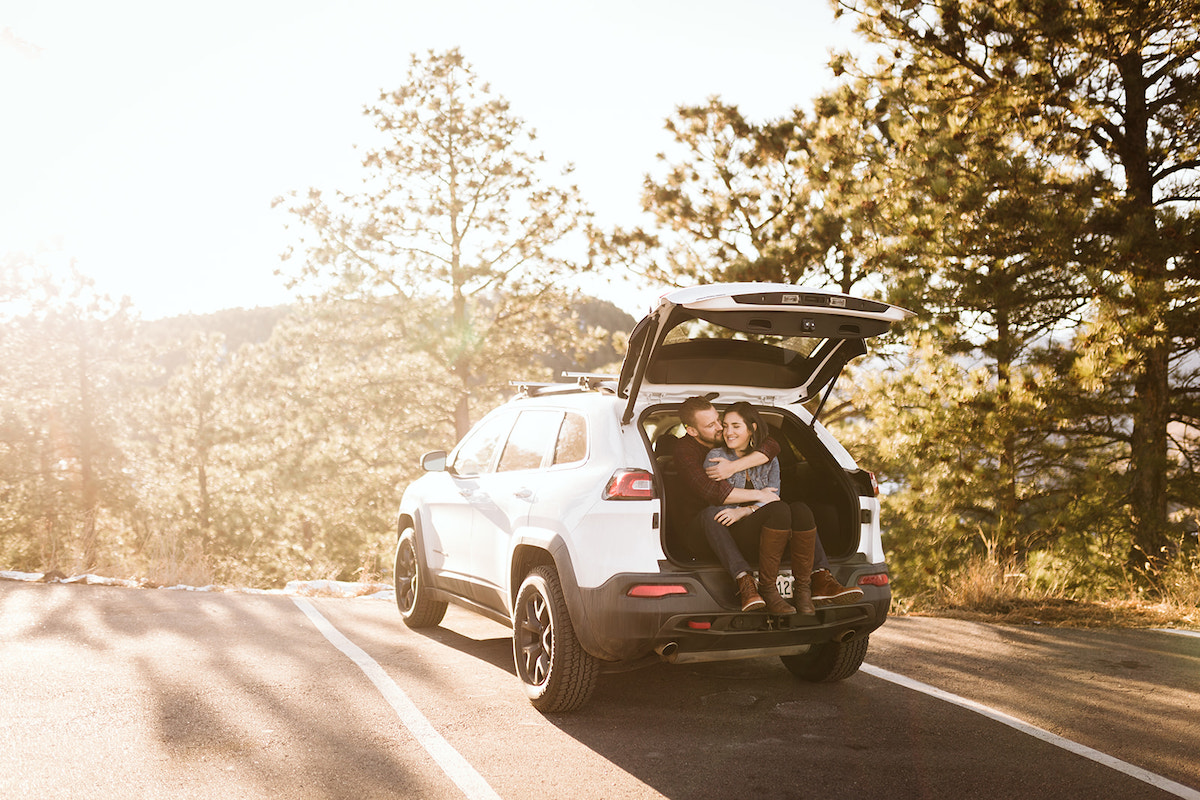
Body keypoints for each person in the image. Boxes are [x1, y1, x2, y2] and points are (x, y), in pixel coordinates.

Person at [670, 396, 863, 613]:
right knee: (713, 513)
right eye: (712, 425)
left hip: (741, 518)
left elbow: (772, 446)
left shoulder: (732, 442)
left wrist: (736, 471)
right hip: (701, 528)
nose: (721, 429)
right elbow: (715, 494)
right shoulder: (689, 452)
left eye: (720, 421)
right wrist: (758, 495)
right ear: (693, 431)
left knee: (800, 509)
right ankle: (746, 583)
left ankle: (820, 579)